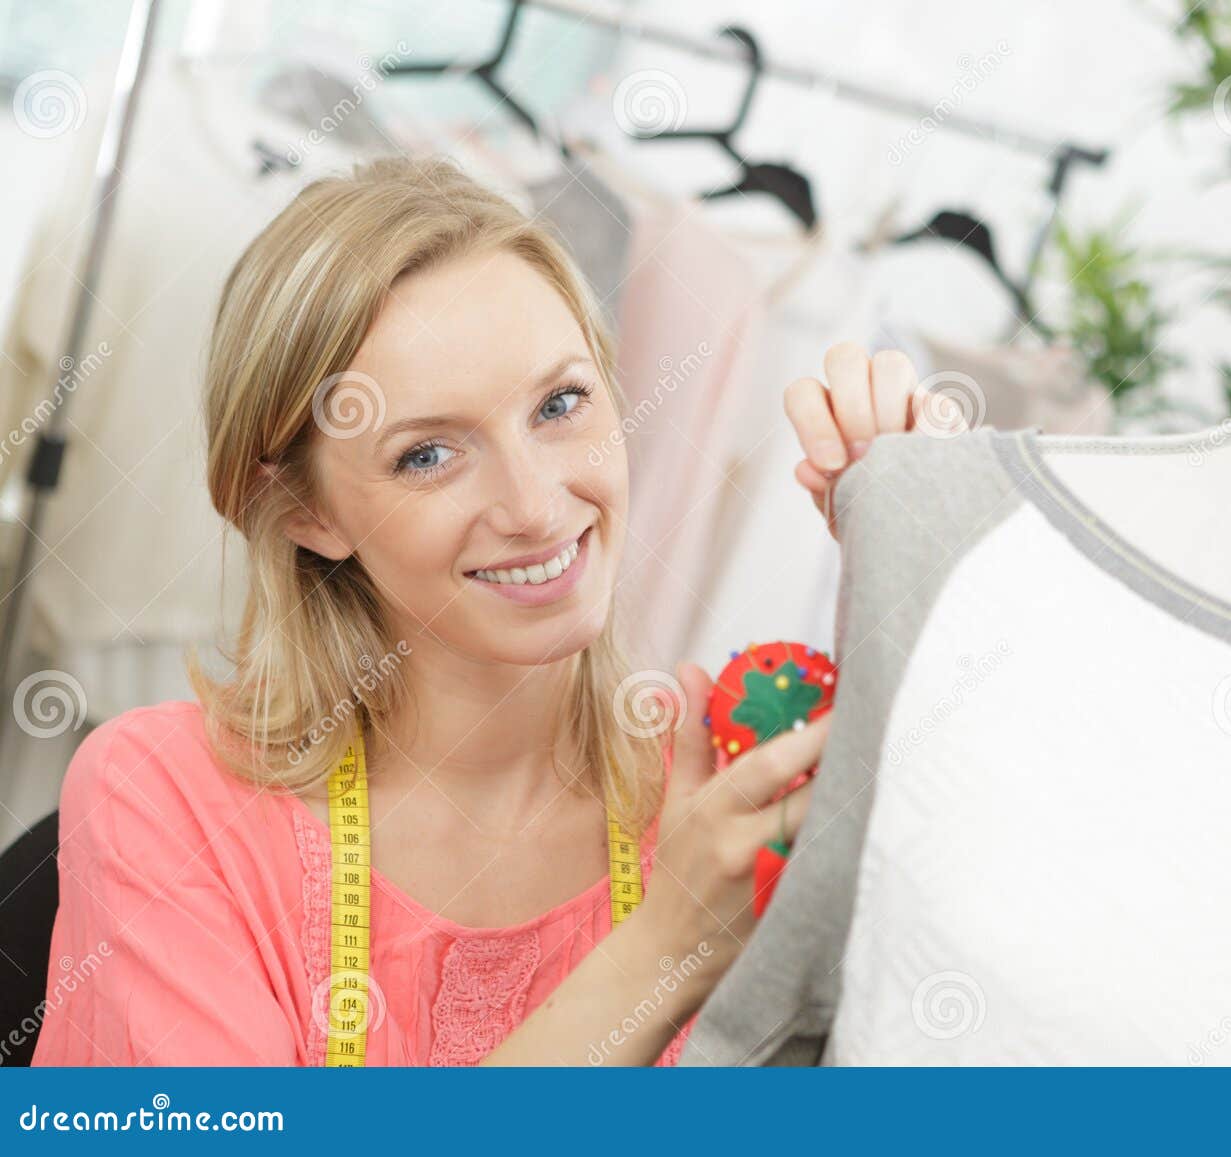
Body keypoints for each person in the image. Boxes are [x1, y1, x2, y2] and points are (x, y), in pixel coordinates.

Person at [30, 156, 934, 1066]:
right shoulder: (167, 803)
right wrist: (669, 946)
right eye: (427, 455)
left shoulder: (737, 789)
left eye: (560, 404)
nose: (535, 505)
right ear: (308, 511)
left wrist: (927, 552)